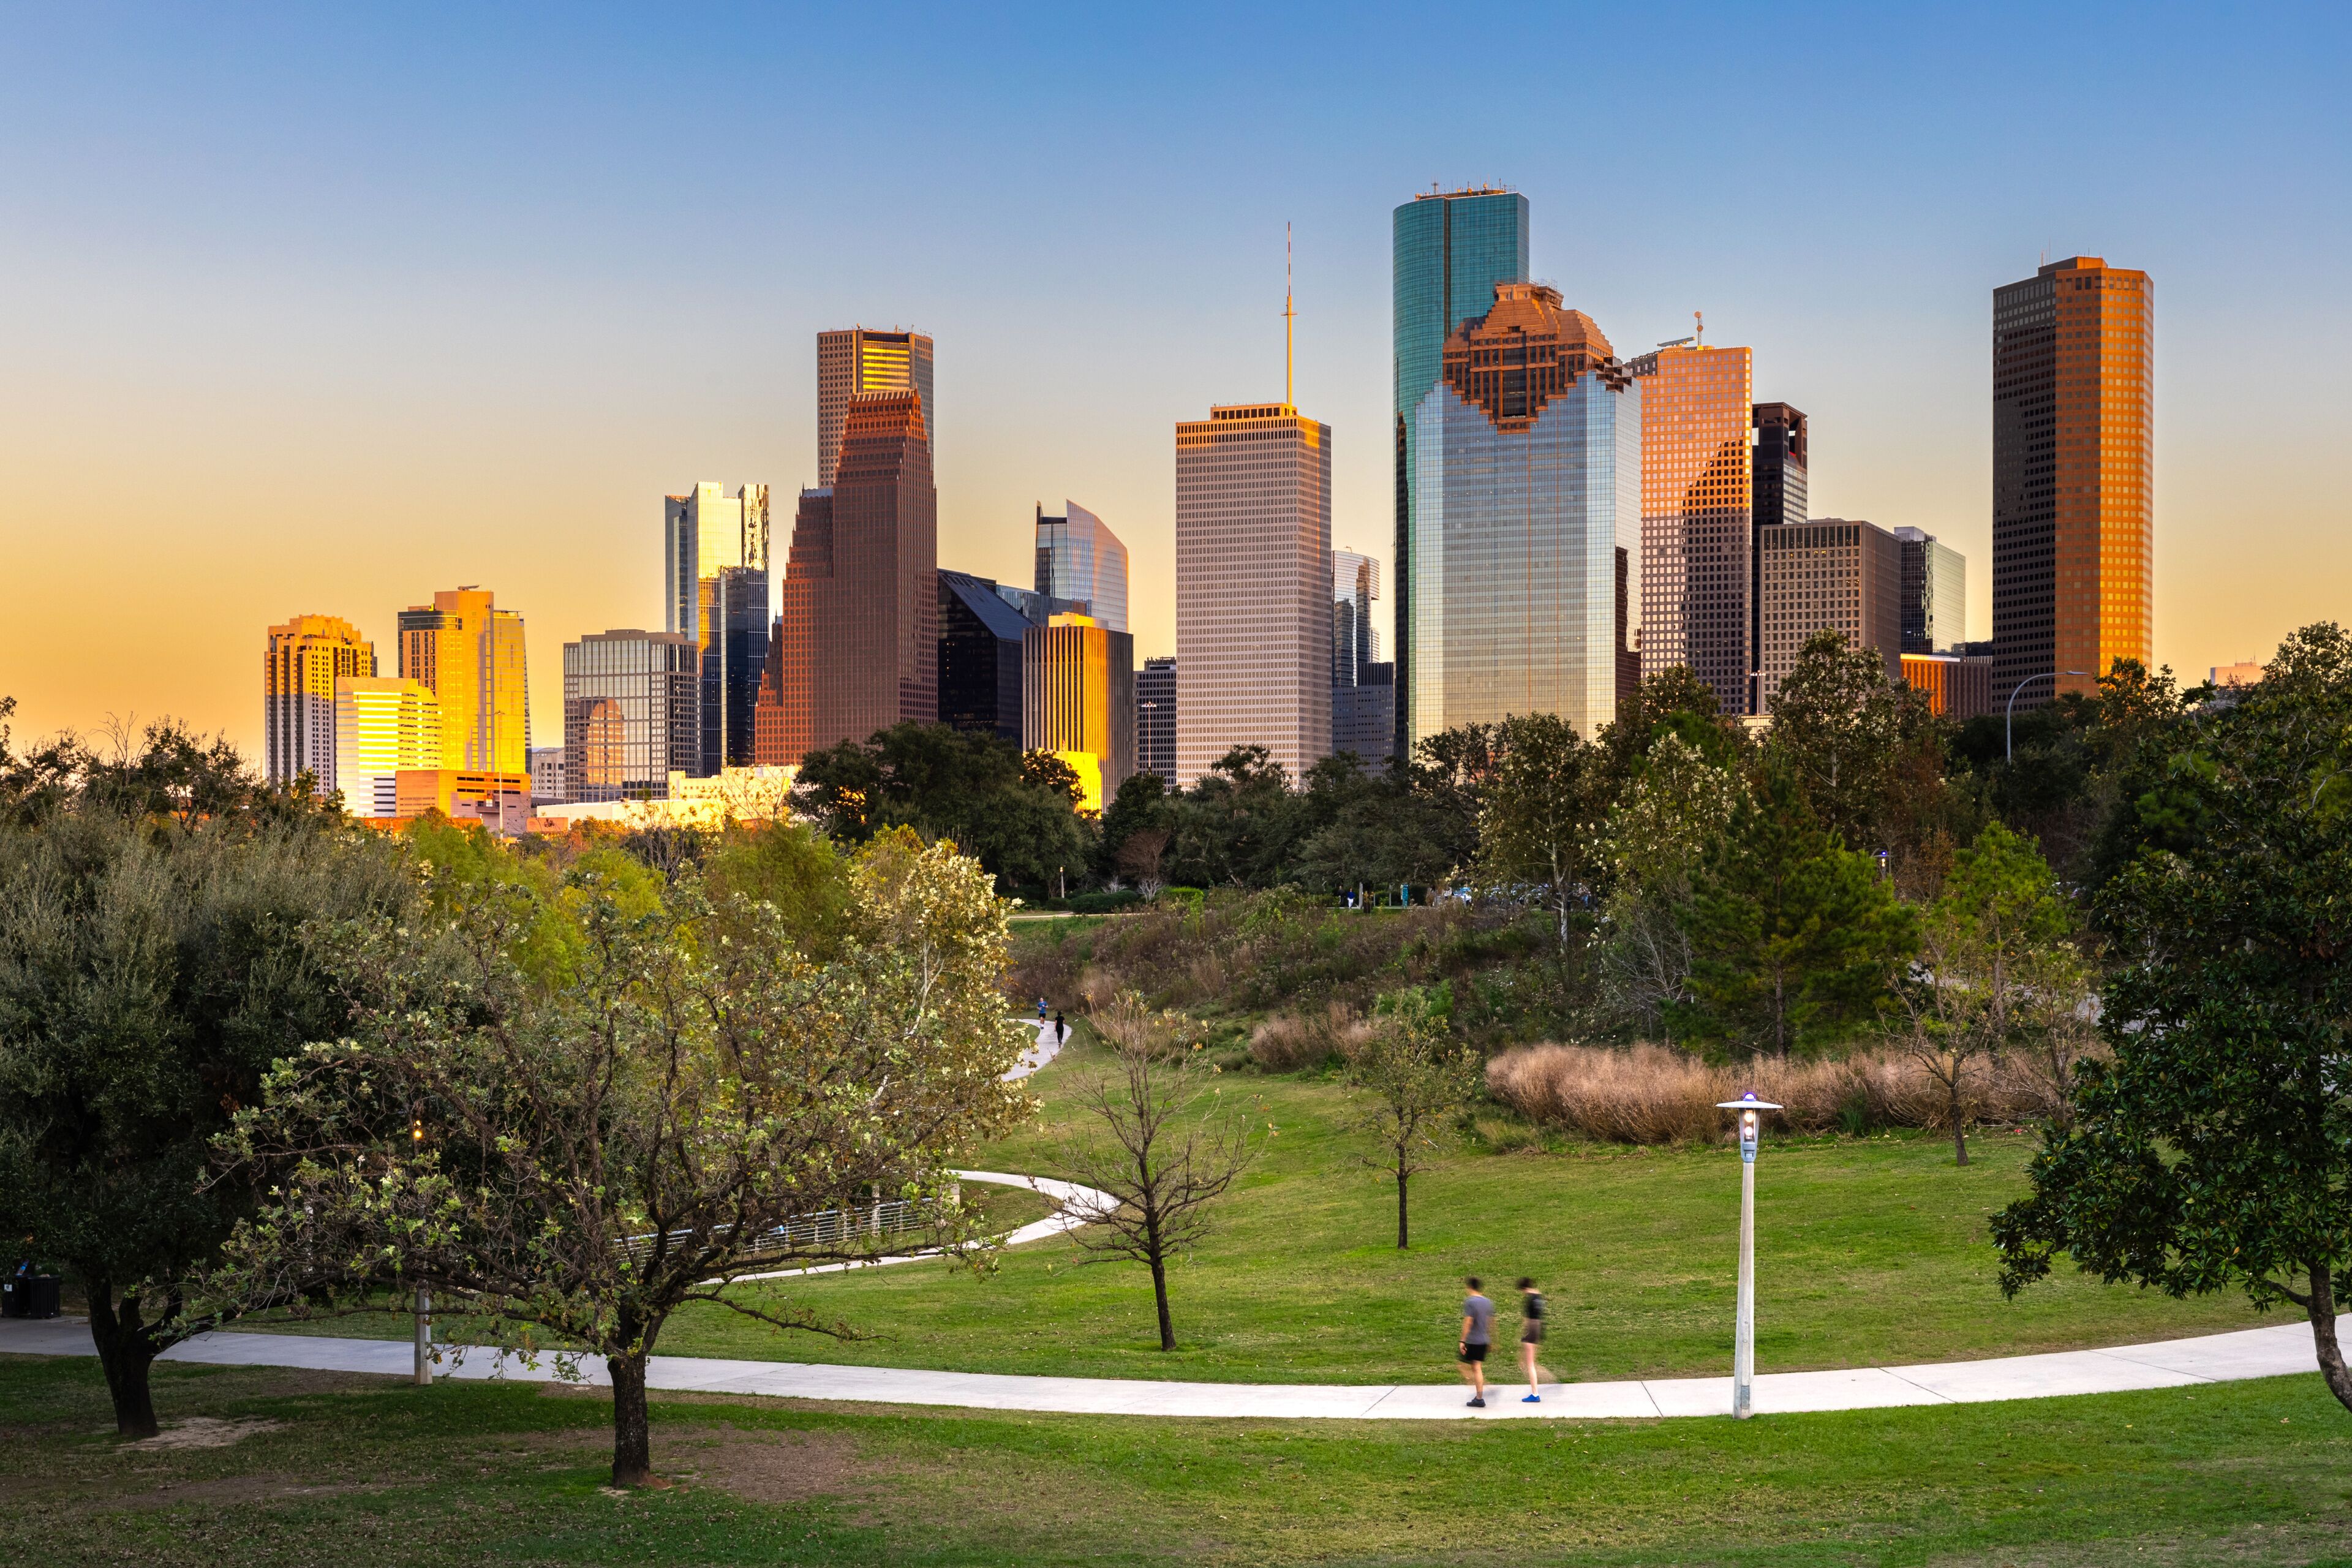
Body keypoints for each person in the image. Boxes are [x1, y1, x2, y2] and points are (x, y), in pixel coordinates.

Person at [1516, 1277, 1556, 1403]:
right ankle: (1547, 1380)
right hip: (1539, 1329)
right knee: (1530, 1362)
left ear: (1523, 1288)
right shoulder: (1539, 1297)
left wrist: (1522, 1334)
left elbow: (1527, 1320)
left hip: (1531, 1330)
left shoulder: (1529, 1300)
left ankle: (1535, 1393)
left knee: (1529, 1364)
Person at [1457, 1276, 1494, 1408]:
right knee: (1476, 1368)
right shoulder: (1488, 1302)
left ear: (1470, 1287)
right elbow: (1491, 1323)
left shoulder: (1470, 1302)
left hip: (1474, 1340)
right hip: (1484, 1339)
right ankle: (1481, 1391)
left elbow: (1469, 1322)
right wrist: (1491, 1340)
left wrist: (1462, 1340)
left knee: (1465, 1367)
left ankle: (1480, 1395)